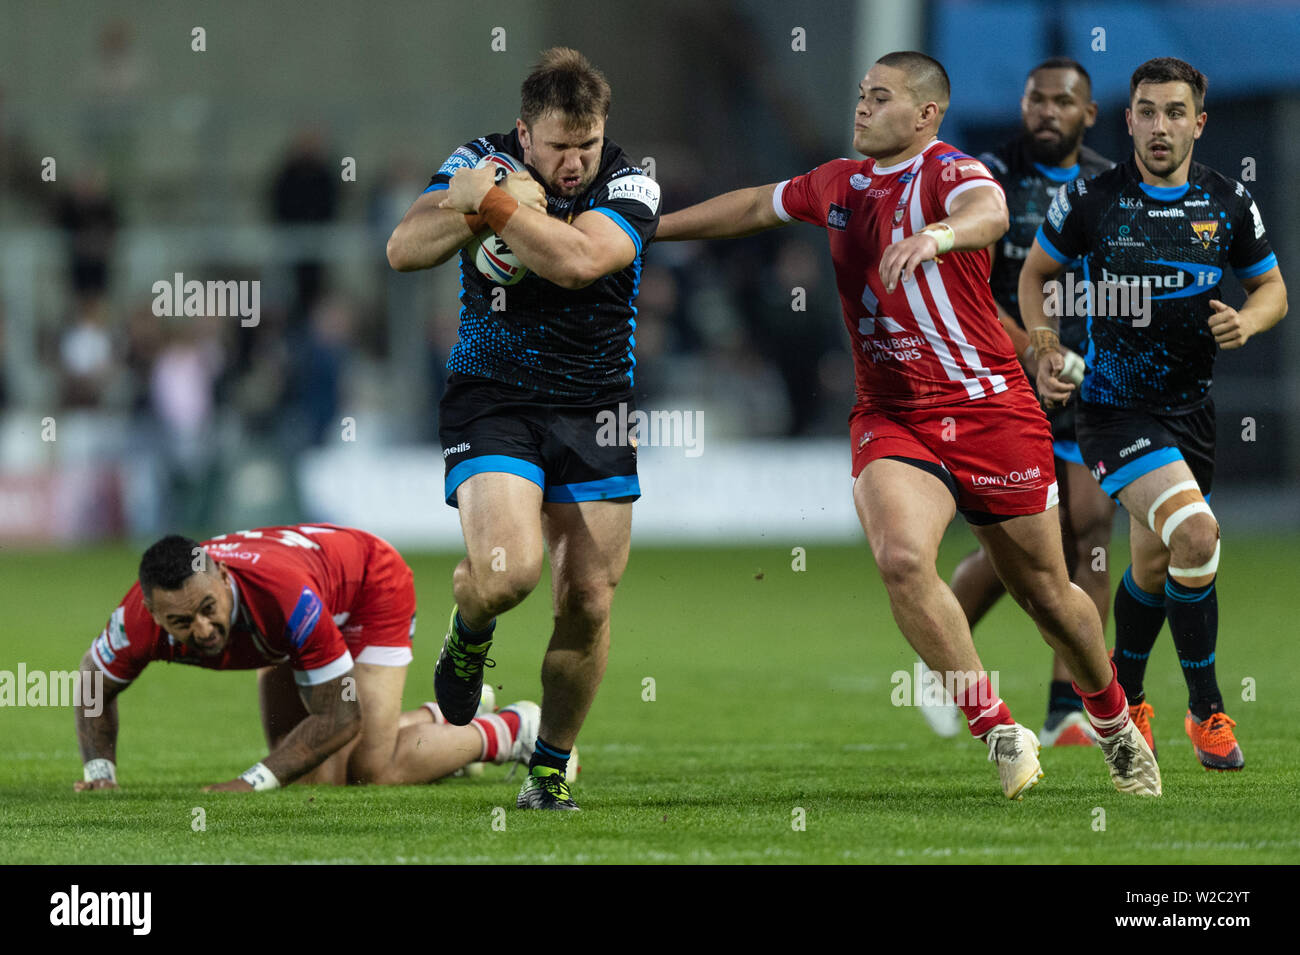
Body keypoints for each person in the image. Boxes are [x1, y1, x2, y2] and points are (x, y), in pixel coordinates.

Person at [656, 50, 1160, 798]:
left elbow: (986, 212)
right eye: (861, 94)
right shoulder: (839, 182)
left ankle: (1116, 724)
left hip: (989, 409)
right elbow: (757, 205)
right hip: (893, 414)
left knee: (1049, 594)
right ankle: (999, 728)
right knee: (899, 557)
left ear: (926, 114)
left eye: (881, 97)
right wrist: (648, 232)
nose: (862, 107)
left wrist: (939, 238)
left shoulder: (953, 174)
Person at [386, 48, 660, 810]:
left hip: (594, 407)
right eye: (559, 146)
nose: (576, 163)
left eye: (589, 144)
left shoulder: (632, 179)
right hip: (494, 399)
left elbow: (581, 262)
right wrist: (475, 201)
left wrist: (500, 208)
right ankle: (469, 627)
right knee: (508, 573)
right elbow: (403, 249)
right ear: (522, 132)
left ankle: (547, 770)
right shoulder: (477, 161)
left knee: (589, 600)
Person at [1021, 57, 1287, 771]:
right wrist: (1045, 342)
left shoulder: (1228, 201)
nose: (1160, 125)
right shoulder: (1090, 200)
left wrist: (1249, 323)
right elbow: (1035, 276)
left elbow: (1272, 291)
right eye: (1147, 110)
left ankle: (1128, 694)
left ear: (1199, 122)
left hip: (1190, 414)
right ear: (1129, 118)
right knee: (1197, 535)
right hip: (1110, 411)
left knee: (1153, 561)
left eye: (1175, 112)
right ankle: (1206, 710)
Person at [920, 57, 1116, 747]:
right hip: (1003, 380)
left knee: (1089, 535)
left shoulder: (1109, 185)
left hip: (1093, 383)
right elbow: (967, 290)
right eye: (1036, 98)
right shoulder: (987, 179)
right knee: (1023, 551)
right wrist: (1033, 351)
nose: (1046, 111)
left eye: (1063, 101)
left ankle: (1067, 708)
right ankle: (941, 656)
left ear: (1088, 114)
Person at [74, 524, 542, 792]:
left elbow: (340, 716)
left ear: (220, 574)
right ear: (153, 613)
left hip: (367, 588)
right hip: (293, 627)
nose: (201, 629)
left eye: (208, 609)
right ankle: (438, 720)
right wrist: (99, 772)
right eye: (180, 622)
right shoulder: (136, 617)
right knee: (308, 779)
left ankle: (508, 731)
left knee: (367, 772)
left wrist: (249, 782)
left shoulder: (280, 597)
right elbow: (94, 681)